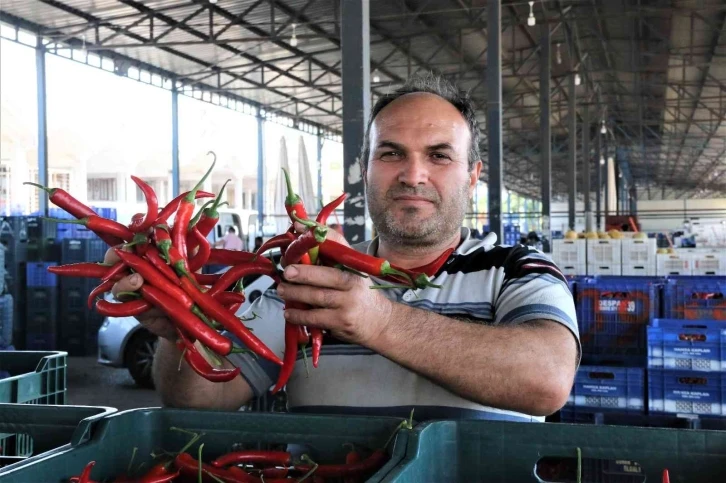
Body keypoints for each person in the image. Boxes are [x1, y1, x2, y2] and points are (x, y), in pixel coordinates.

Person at [107, 73, 579, 420]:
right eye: (391, 153)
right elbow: (197, 399)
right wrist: (179, 331)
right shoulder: (301, 276)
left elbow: (546, 379)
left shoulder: (518, 271)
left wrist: (377, 320)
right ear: (364, 168)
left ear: (472, 176)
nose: (413, 175)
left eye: (438, 156)